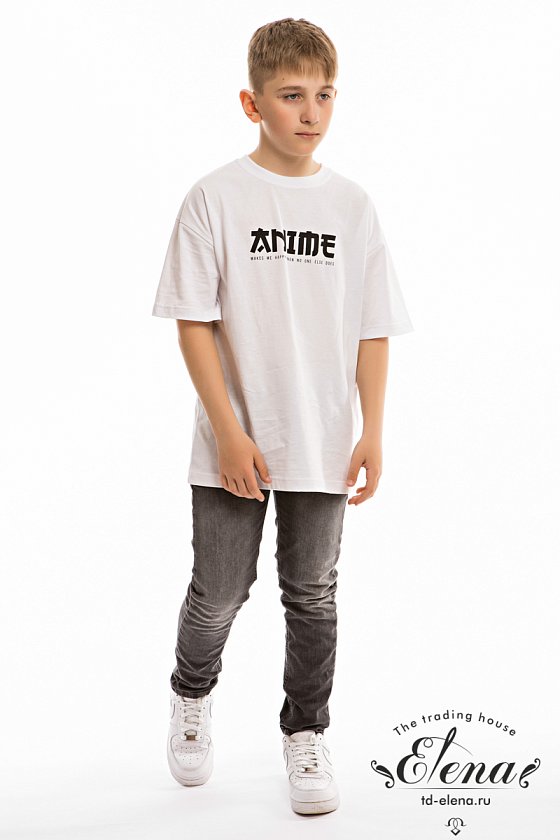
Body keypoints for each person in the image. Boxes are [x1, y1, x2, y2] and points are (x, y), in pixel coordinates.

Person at [152, 17, 414, 816]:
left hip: (323, 440)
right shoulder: (215, 198)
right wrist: (229, 432)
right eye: (292, 95)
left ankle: (306, 731)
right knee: (220, 592)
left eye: (324, 95)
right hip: (234, 442)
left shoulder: (352, 206)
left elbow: (372, 327)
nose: (311, 113)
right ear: (252, 102)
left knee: (313, 594)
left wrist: (373, 430)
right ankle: (191, 692)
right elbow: (193, 322)